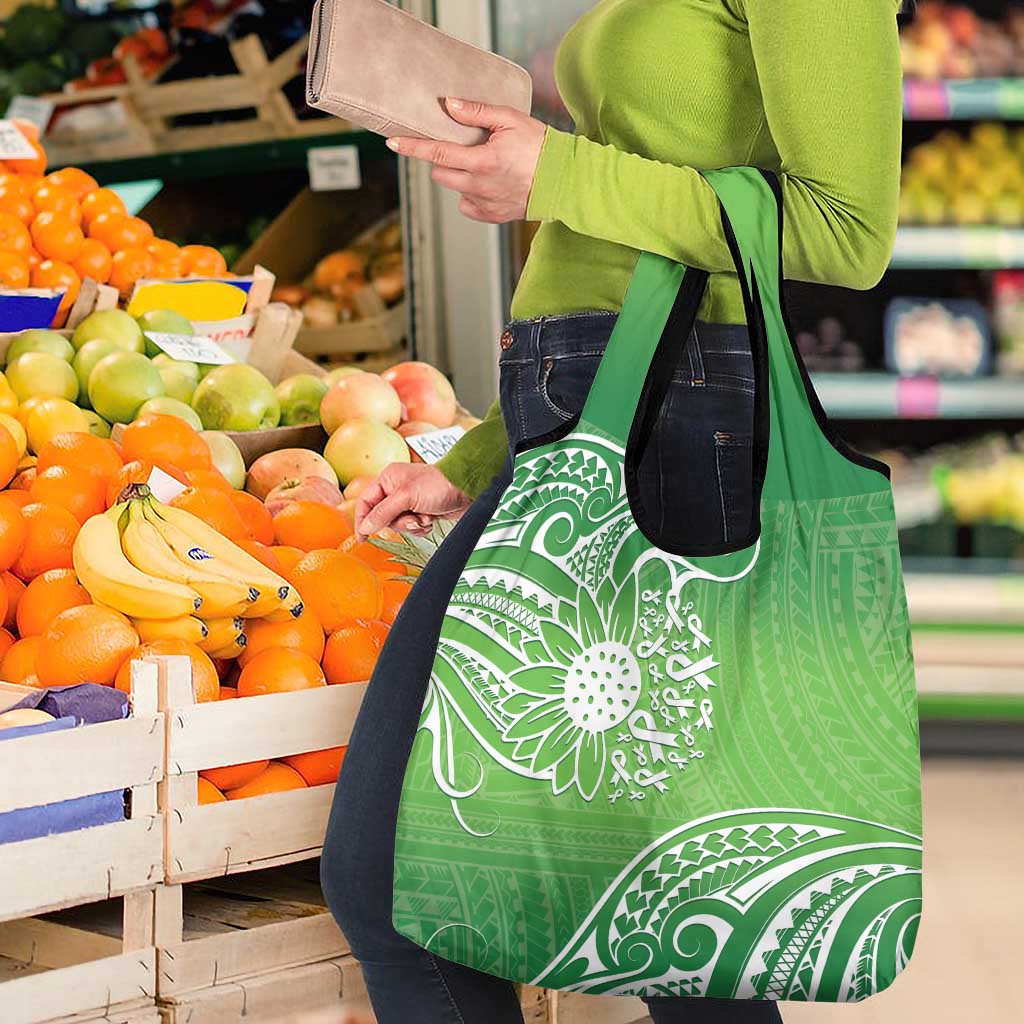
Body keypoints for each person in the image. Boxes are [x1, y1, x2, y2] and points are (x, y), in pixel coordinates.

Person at [321, 2, 906, 1021]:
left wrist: (557, 172)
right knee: (667, 927)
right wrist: (477, 457)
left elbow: (847, 230)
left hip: (679, 435)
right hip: (590, 423)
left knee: (638, 917)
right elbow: (619, 248)